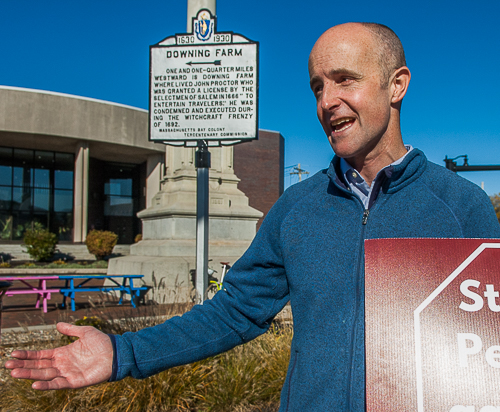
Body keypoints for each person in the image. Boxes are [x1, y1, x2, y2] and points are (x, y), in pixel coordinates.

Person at [6, 22, 500, 411]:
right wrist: (122, 353)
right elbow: (235, 311)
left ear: (397, 86)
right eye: (317, 86)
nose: (328, 101)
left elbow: (484, 347)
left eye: (345, 79)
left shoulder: (461, 206)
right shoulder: (297, 208)